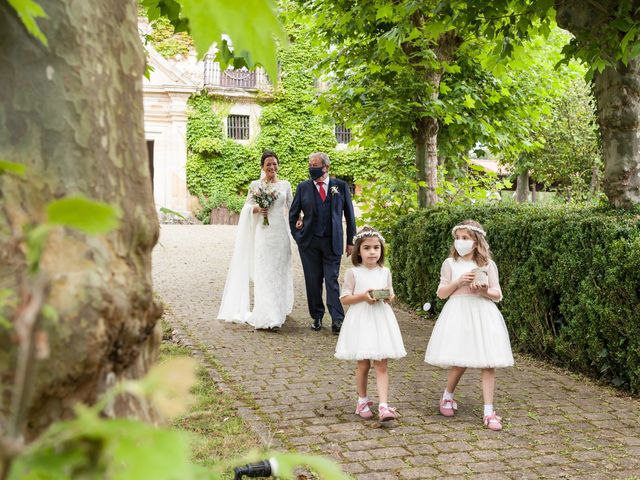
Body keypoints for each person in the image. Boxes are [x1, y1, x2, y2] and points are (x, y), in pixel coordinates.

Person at [424, 219, 513, 431]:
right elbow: (441, 293)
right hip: (458, 313)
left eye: (465, 238)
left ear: (476, 241)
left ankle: (489, 410)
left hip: (482, 313)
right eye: (457, 238)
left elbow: (497, 293)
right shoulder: (450, 264)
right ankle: (447, 396)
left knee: (487, 361)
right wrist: (459, 282)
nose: (460, 242)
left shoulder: (487, 265)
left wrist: (482, 290)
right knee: (459, 359)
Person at [335, 227, 406, 421]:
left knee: (382, 364)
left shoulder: (385, 272)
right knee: (363, 364)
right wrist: (363, 297)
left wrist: (389, 296)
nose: (373, 252)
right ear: (359, 250)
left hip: (380, 319)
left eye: (376, 247)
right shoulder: (353, 272)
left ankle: (383, 405)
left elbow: (390, 292)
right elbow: (344, 298)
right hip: (361, 319)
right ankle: (362, 400)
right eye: (367, 248)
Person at [217, 151, 294, 330]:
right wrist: (258, 208)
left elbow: (292, 206)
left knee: (279, 271)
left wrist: (299, 220)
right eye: (268, 164)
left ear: (278, 165)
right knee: (265, 272)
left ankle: (279, 309)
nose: (272, 167)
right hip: (263, 234)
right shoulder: (255, 185)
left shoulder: (285, 185)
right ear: (262, 166)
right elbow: (246, 207)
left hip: (280, 233)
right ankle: (268, 314)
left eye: (274, 164)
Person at [289, 152, 356, 334]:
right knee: (313, 281)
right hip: (309, 244)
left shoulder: (340, 186)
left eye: (315, 165)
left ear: (326, 167)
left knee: (332, 280)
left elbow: (350, 216)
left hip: (332, 241)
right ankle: (317, 317)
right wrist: (298, 237)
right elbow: (293, 214)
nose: (312, 168)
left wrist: (351, 241)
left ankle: (337, 319)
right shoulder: (303, 187)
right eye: (310, 165)